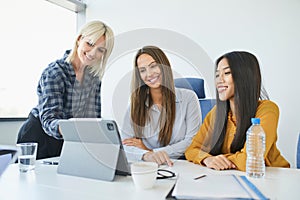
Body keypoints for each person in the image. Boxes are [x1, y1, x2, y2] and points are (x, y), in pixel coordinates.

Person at [17, 20, 114, 159]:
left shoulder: (94, 78)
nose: (93, 53)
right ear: (79, 39)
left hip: (67, 138)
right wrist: (74, 128)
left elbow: (93, 118)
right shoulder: (55, 72)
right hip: (39, 137)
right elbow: (50, 119)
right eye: (90, 44)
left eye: (100, 50)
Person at [185, 51, 290, 171]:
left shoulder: (267, 109)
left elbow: (250, 160)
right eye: (217, 75)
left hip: (272, 178)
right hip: (233, 178)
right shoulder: (216, 113)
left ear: (245, 77)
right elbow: (192, 150)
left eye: (227, 73)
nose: (219, 80)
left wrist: (220, 159)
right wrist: (208, 159)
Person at [121, 45, 201, 167]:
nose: (149, 74)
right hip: (148, 167)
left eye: (153, 66)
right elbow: (126, 145)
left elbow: (192, 141)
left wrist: (151, 151)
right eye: (142, 70)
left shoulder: (189, 98)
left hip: (182, 166)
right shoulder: (135, 104)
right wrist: (146, 155)